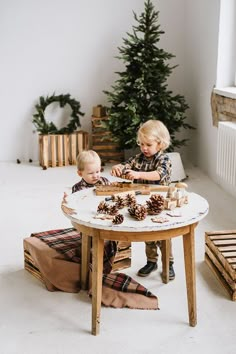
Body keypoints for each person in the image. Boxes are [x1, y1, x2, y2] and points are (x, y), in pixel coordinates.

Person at [111, 119, 175, 280]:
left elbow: (158, 174)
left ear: (160, 144)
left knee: (162, 235)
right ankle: (151, 261)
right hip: (143, 203)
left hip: (160, 203)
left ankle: (169, 262)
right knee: (149, 235)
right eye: (141, 144)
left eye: (148, 144)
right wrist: (118, 168)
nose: (144, 148)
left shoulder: (164, 159)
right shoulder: (138, 159)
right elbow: (125, 165)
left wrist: (138, 174)